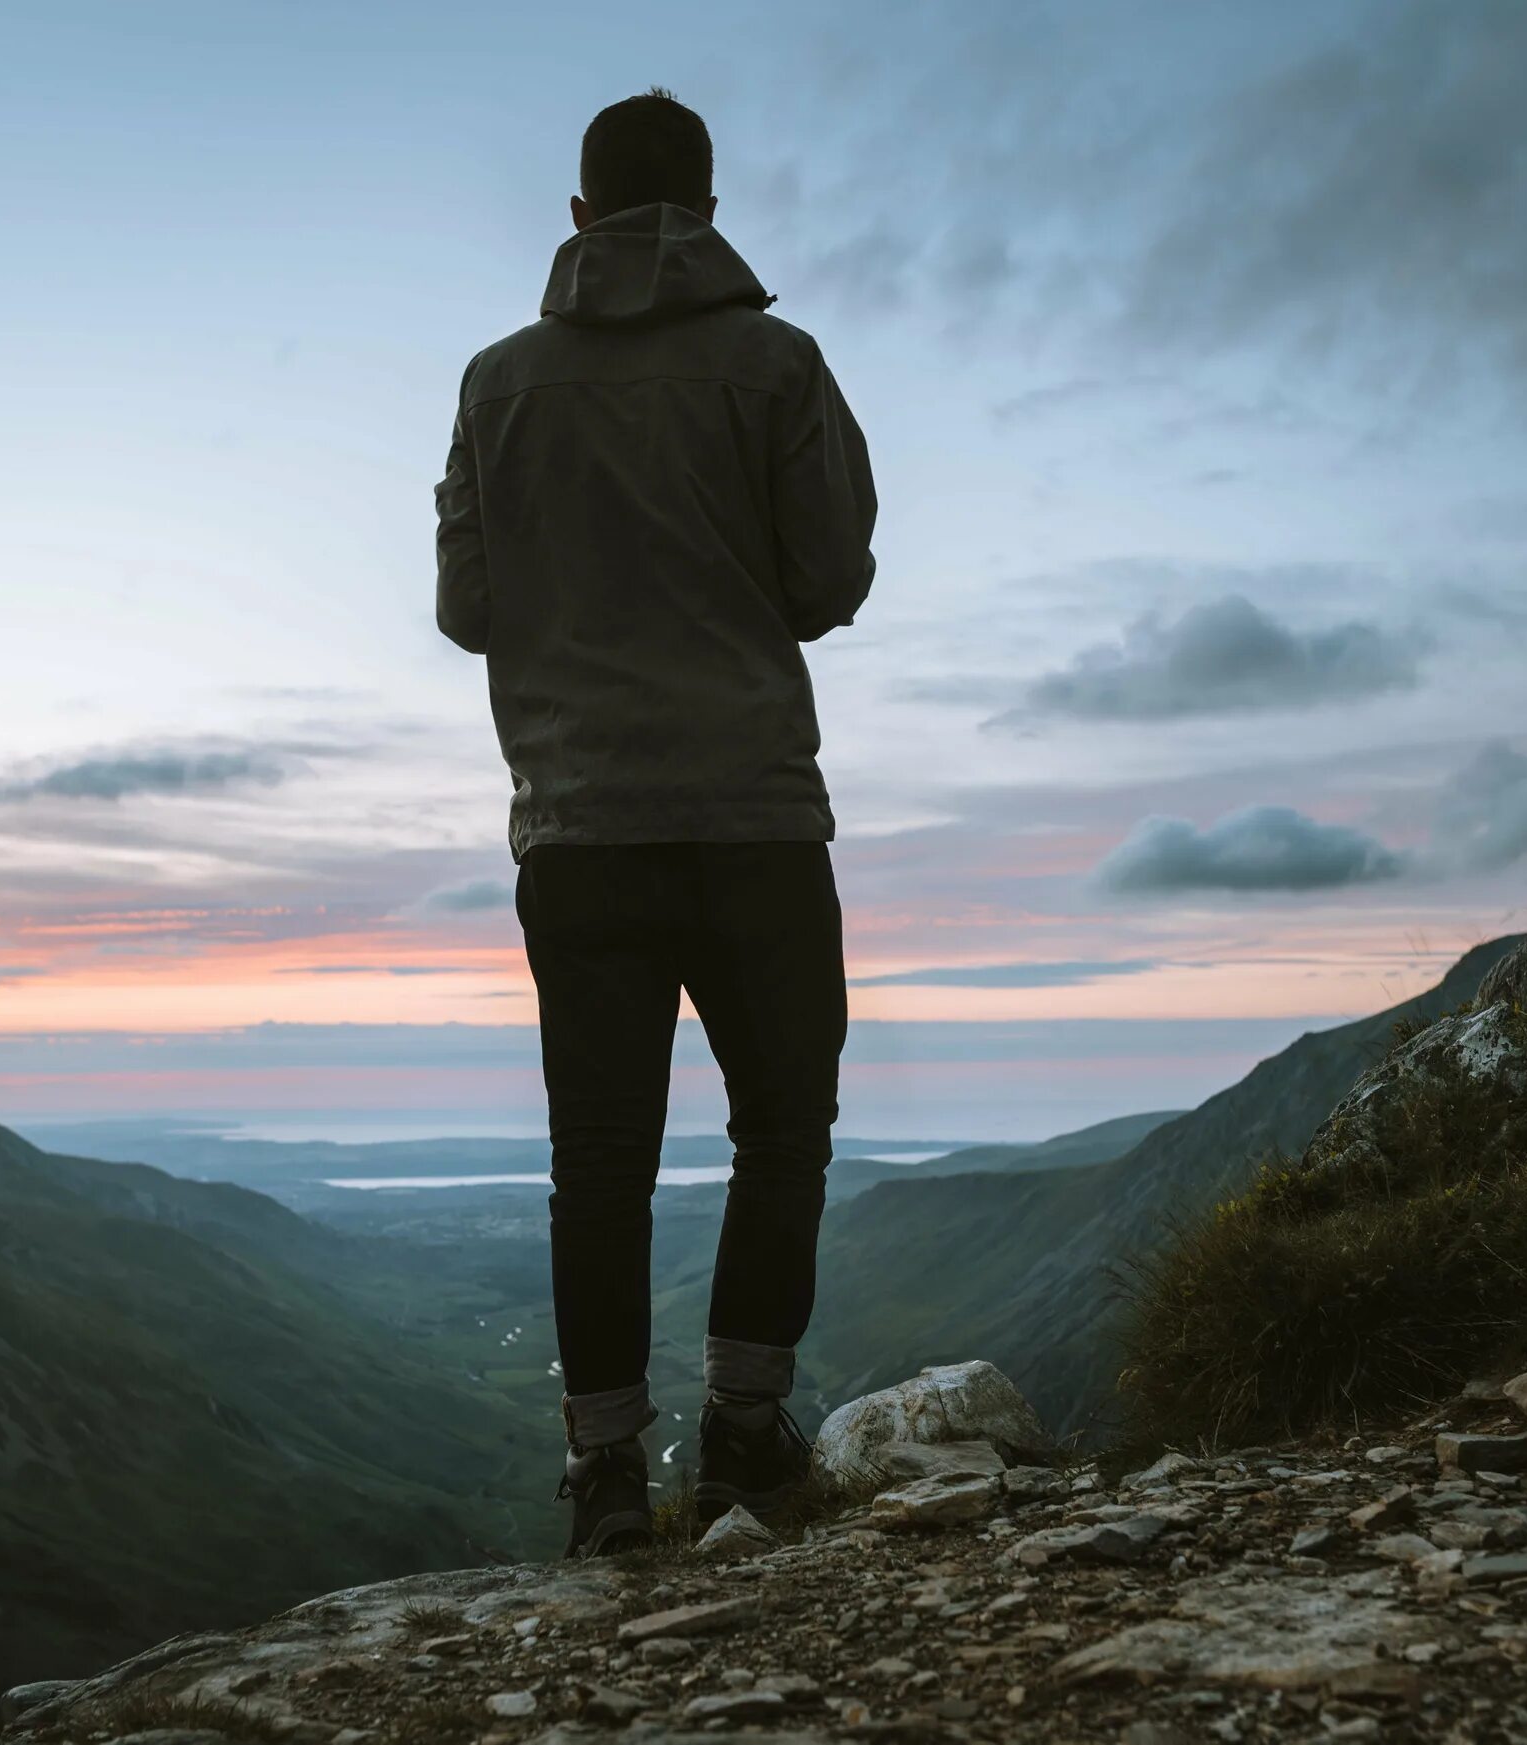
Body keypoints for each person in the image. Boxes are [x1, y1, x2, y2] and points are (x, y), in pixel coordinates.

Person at [433, 87, 878, 1557]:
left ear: (578, 219)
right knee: (786, 1130)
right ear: (708, 204)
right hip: (752, 817)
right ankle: (746, 1439)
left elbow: (465, 608)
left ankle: (611, 1478)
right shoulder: (780, 366)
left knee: (602, 1157)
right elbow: (826, 583)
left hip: (580, 830)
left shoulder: (495, 387)